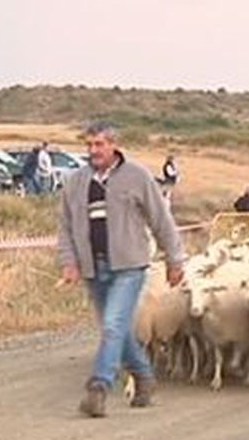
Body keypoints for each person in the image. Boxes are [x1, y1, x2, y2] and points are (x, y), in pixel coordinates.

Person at [57, 121, 185, 418]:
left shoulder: (137, 176)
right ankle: (144, 377)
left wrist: (174, 258)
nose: (93, 151)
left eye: (99, 145)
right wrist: (69, 261)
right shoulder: (75, 182)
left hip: (129, 265)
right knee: (118, 330)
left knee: (113, 326)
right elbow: (64, 226)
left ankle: (99, 387)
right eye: (89, 145)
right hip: (94, 266)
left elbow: (160, 220)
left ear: (114, 145)